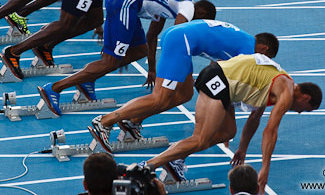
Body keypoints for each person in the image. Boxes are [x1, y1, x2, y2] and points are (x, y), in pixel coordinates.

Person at [136, 53, 322, 194]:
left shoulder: (278, 86)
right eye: (305, 109)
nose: (299, 112)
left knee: (228, 132)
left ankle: (175, 158)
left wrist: (242, 148)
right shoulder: (287, 91)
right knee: (201, 139)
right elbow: (270, 130)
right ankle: (148, 166)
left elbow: (254, 119)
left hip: (224, 86)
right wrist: (265, 167)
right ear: (306, 97)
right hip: (218, 79)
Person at [89, 20, 279, 149]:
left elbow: (219, 68)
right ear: (264, 49)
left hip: (182, 39)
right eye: (267, 58)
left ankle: (133, 121)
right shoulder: (248, 52)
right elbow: (230, 85)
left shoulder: (242, 40)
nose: (263, 62)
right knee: (159, 98)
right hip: (182, 42)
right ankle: (104, 122)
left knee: (184, 94)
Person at [36, 0, 217, 115]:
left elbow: (152, 36)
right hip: (124, 1)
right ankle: (54, 88)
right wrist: (170, 77)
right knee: (110, 61)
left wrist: (152, 69)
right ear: (200, 14)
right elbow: (177, 41)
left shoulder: (171, 5)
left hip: (127, 1)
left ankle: (86, 79)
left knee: (140, 50)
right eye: (200, 23)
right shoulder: (187, 9)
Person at [0, 0, 154, 79]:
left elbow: (119, 12)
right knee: (67, 22)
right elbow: (123, 14)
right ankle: (13, 52)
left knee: (94, 20)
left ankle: (45, 45)